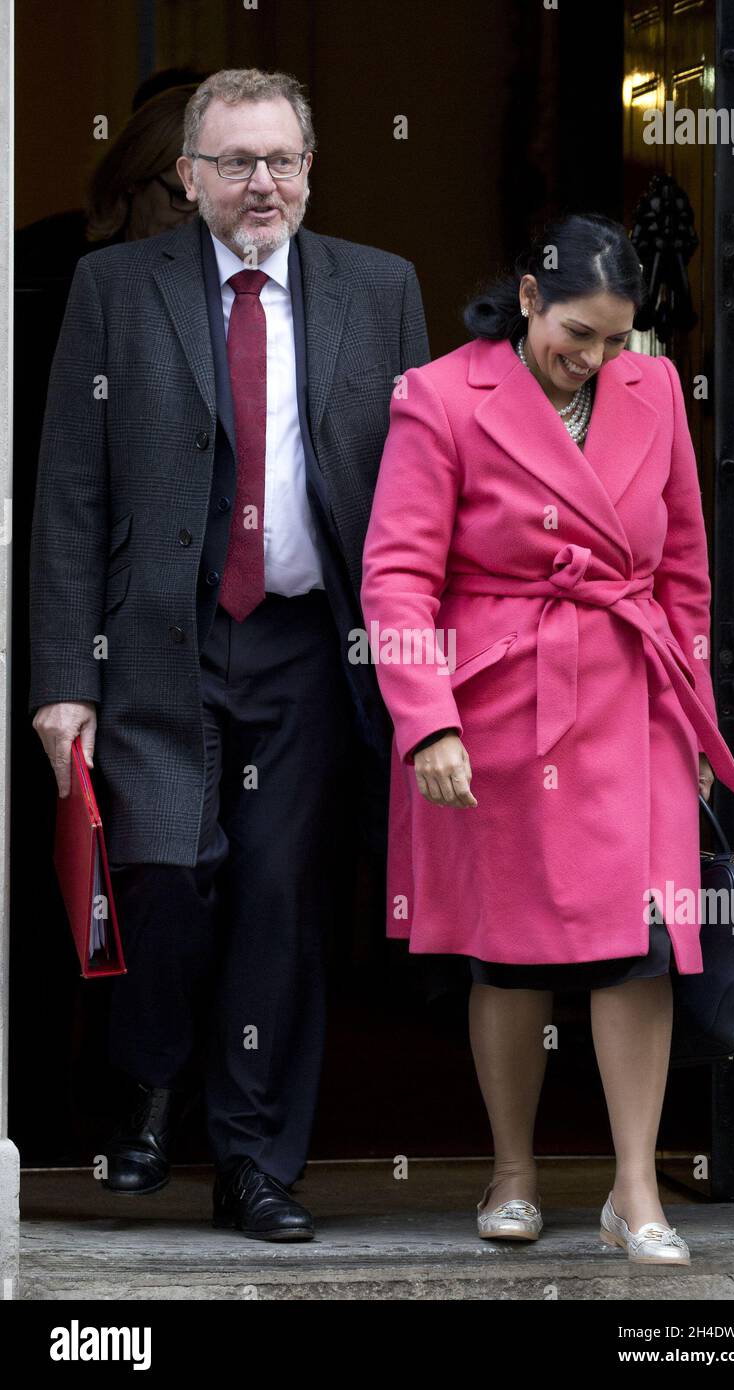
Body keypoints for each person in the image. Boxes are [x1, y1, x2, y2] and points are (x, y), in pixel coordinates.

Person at [28, 66, 429, 1241]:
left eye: (283, 160)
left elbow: (411, 492)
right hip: (159, 642)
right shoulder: (114, 286)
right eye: (237, 162)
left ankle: (255, 1162)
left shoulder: (379, 286)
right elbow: (67, 493)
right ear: (190, 176)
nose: (263, 183)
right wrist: (62, 679)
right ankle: (149, 1084)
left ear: (310, 169)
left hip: (306, 649)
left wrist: (418, 659)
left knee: (279, 905)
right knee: (162, 878)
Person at [360, 212, 734, 1263]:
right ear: (528, 298)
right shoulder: (440, 395)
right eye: (577, 332)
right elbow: (397, 577)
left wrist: (685, 699)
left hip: (628, 694)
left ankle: (634, 1191)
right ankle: (512, 1172)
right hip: (497, 702)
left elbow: (681, 565)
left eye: (614, 340)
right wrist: (425, 718)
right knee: (510, 949)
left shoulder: (653, 389)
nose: (594, 358)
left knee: (641, 945)